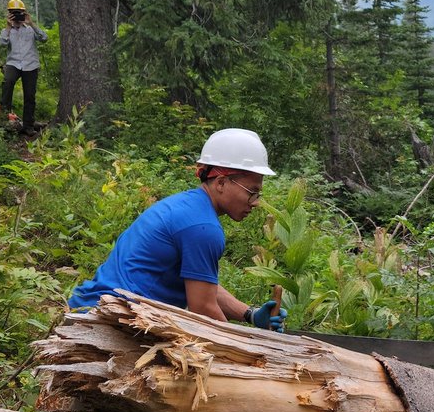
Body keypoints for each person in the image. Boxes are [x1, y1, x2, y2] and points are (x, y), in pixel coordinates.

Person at [69, 128, 288, 332]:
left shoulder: (188, 207)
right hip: (106, 322)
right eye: (252, 191)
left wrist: (250, 314)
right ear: (221, 182)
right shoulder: (203, 227)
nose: (256, 202)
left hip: (91, 310)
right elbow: (203, 307)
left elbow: (202, 286)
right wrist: (248, 348)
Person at [0, 0, 48, 133]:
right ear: (9, 14)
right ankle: (4, 120)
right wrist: (8, 27)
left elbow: (44, 38)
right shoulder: (7, 30)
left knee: (30, 95)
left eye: (19, 12)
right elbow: (2, 44)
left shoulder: (30, 29)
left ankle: (28, 125)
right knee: (7, 84)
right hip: (13, 63)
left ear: (24, 12)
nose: (17, 16)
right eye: (14, 13)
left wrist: (31, 23)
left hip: (30, 64)